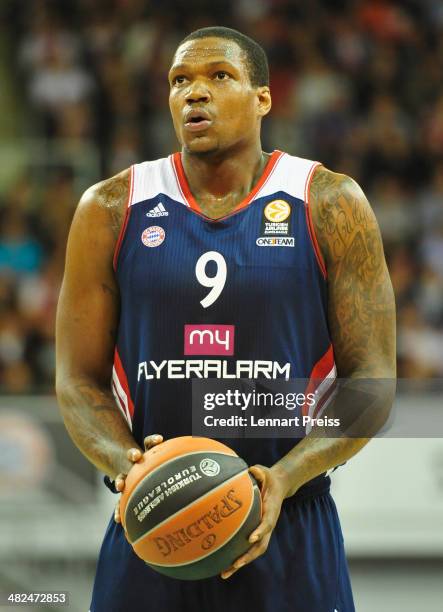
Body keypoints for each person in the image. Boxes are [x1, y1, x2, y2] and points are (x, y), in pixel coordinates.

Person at [55, 26, 396, 612]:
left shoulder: (329, 203)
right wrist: (128, 466)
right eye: (180, 81)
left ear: (262, 98)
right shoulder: (110, 208)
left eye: (219, 77)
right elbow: (77, 378)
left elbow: (371, 379)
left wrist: (285, 477)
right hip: (157, 516)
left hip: (292, 520)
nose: (194, 93)